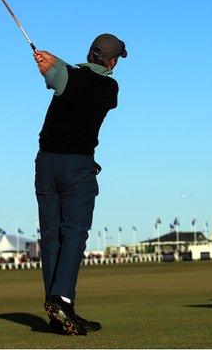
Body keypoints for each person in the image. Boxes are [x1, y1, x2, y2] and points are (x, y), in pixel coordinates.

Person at [34, 34, 126, 336]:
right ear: (111, 61)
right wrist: (54, 65)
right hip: (76, 168)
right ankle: (61, 299)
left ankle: (57, 309)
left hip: (46, 164)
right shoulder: (109, 87)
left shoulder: (69, 76)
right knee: (74, 233)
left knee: (51, 238)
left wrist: (53, 65)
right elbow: (68, 78)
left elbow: (62, 78)